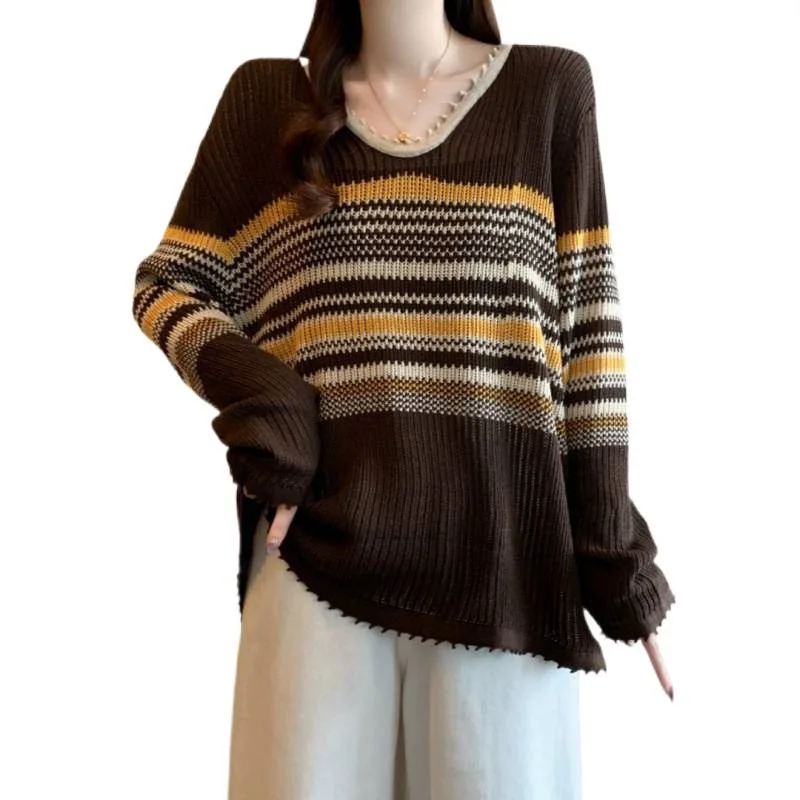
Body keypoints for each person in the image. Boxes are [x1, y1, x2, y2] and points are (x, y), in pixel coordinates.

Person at [131, 1, 676, 797]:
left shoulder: (547, 91)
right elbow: (169, 285)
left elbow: (588, 336)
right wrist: (272, 402)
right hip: (314, 565)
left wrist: (612, 557)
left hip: (502, 567)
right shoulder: (267, 105)